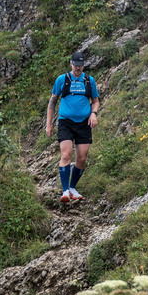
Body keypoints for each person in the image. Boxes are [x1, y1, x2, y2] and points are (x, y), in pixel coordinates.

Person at [46, 51, 100, 203]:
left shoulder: (89, 80)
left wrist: (93, 114)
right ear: (71, 64)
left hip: (84, 123)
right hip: (66, 122)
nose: (78, 68)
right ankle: (64, 191)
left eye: (80, 65)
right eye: (75, 65)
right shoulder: (62, 80)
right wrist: (48, 125)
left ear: (84, 65)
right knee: (66, 155)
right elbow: (52, 102)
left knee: (82, 158)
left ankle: (72, 188)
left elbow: (95, 101)